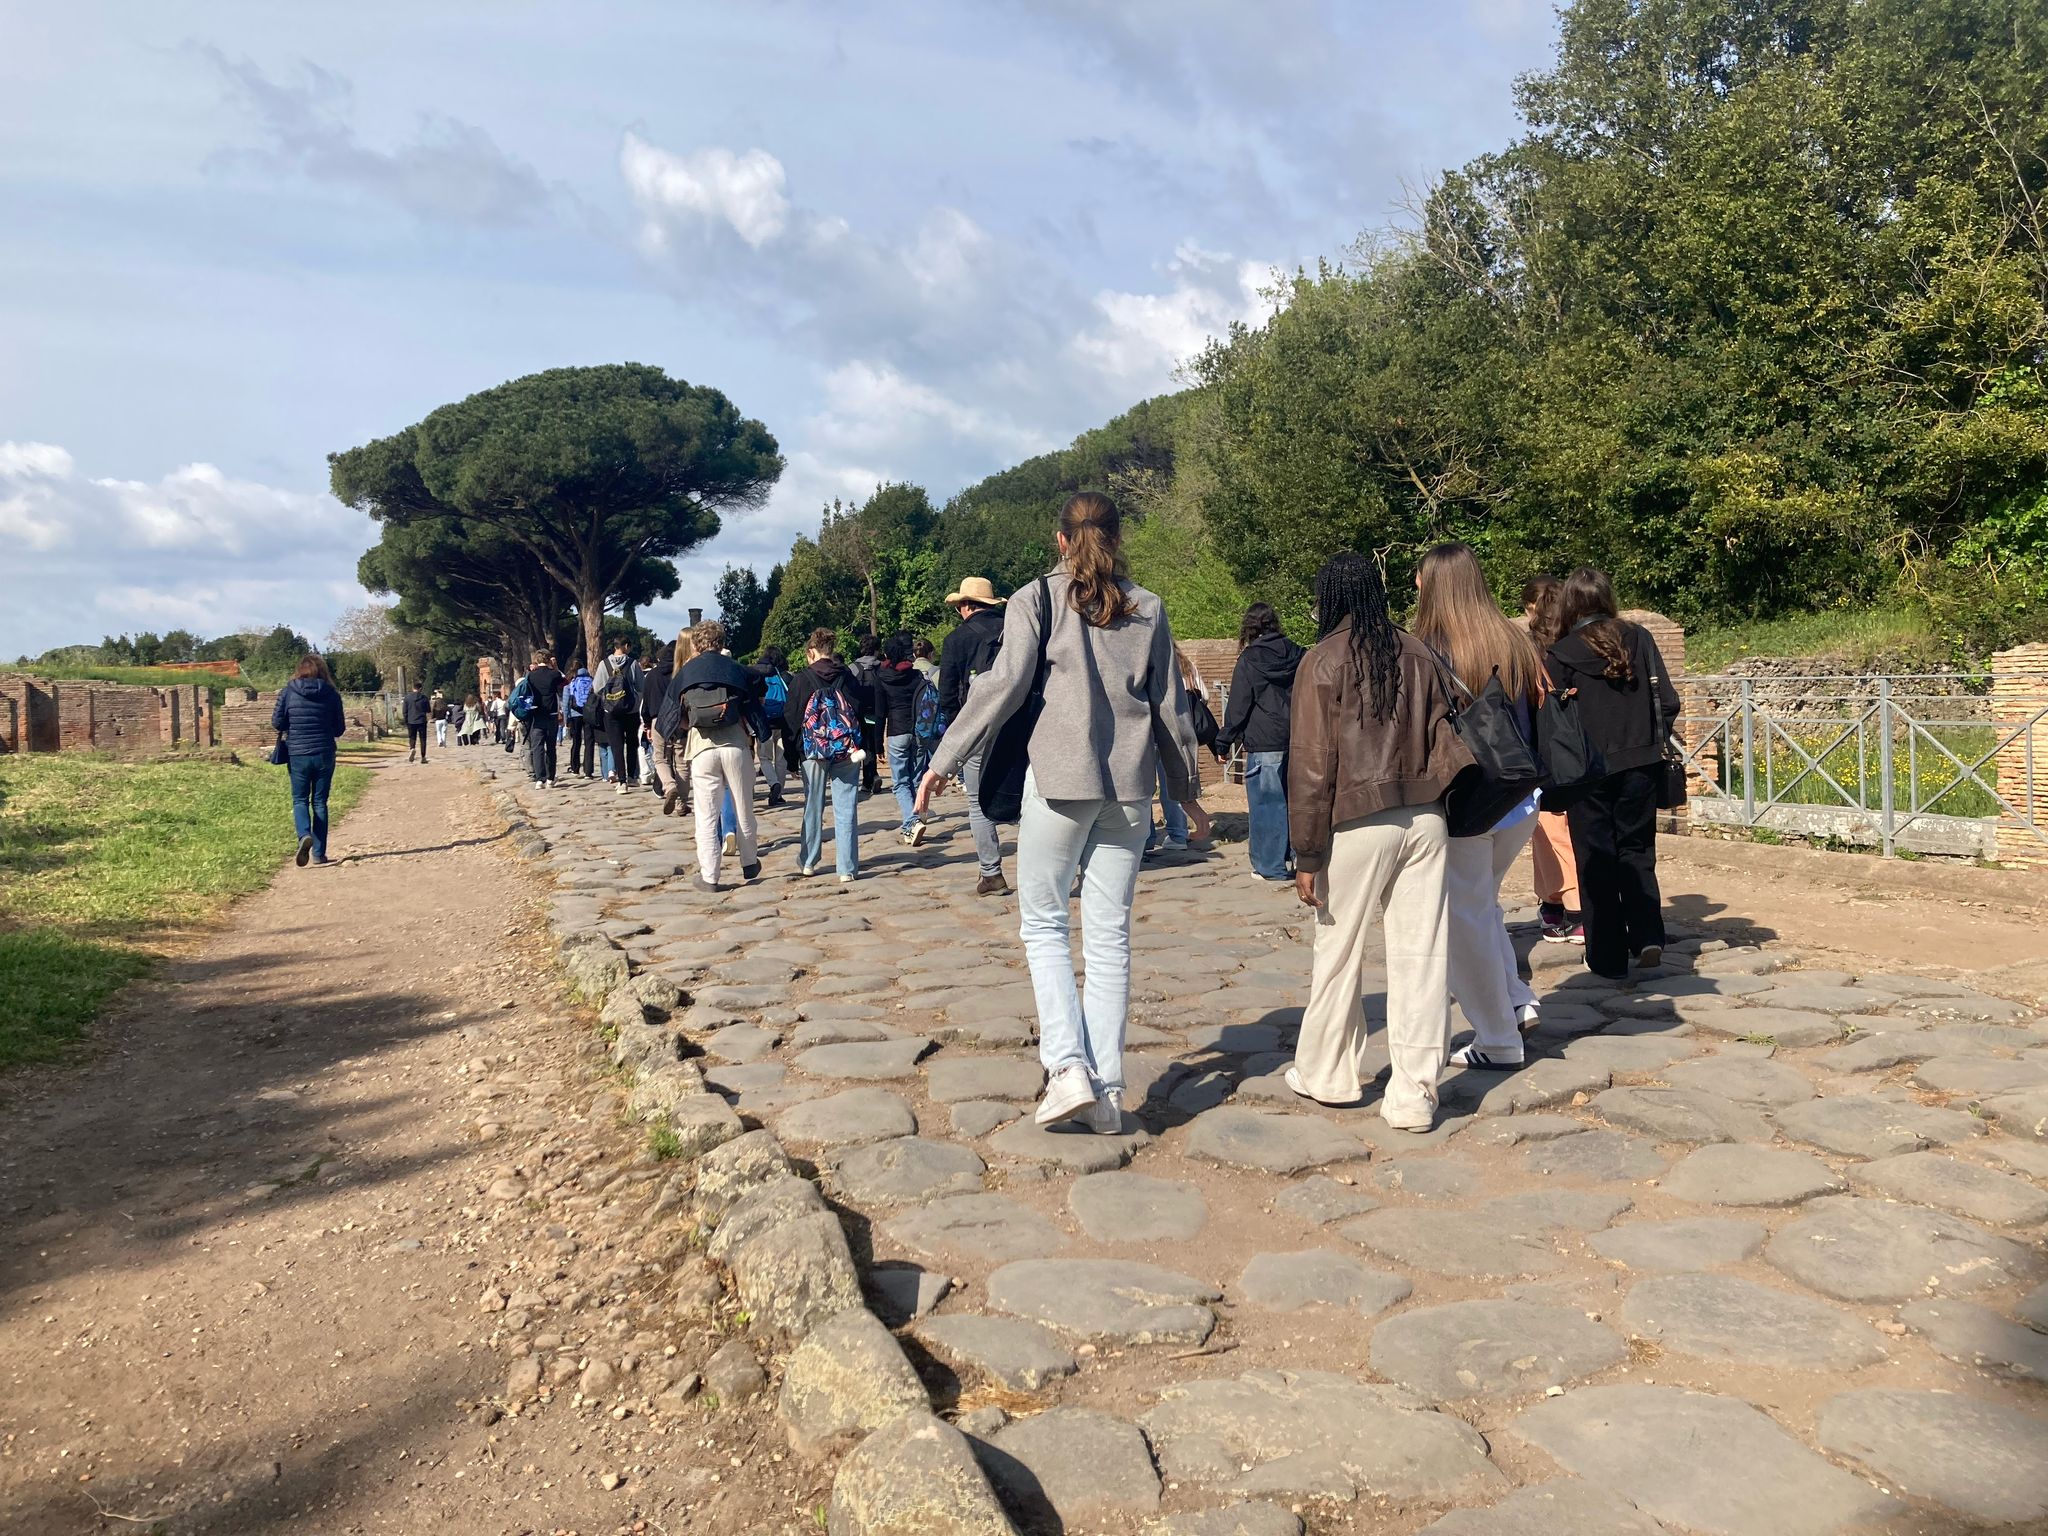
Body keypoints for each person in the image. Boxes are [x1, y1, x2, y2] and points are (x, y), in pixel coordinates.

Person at [919, 492, 1208, 1134]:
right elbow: (1170, 708)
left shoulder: (1035, 599)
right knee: (1109, 939)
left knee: (1045, 926)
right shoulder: (1148, 607)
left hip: (1057, 782)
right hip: (1128, 791)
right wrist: (1186, 793)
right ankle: (1108, 1098)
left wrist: (944, 759)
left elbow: (1002, 685)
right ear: (1118, 537)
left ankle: (1068, 1067)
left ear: (1059, 540)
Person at [1285, 552, 1470, 1132]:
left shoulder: (1322, 660)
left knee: (1338, 952)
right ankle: (1414, 1096)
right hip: (1426, 817)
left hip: (1357, 820)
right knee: (1422, 957)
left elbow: (1312, 766)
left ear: (1328, 597)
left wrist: (1307, 852)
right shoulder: (1418, 652)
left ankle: (1328, 1075)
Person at [1414, 543, 1546, 1068]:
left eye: (1420, 578)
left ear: (1434, 585)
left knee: (1463, 920)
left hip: (1469, 800)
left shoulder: (1428, 649)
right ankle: (1516, 998)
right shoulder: (1515, 640)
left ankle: (1497, 1038)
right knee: (1483, 905)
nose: (1415, 586)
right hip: (1518, 794)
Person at [1545, 567, 1681, 981]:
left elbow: (1554, 719)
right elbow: (1668, 700)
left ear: (1570, 603)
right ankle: (1648, 935)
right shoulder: (1640, 638)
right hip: (1641, 762)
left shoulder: (1561, 653)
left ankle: (1607, 957)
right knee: (1637, 852)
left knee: (1596, 859)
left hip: (1588, 770)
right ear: (1608, 598)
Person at [668, 618, 764, 889]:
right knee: (744, 807)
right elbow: (755, 696)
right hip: (735, 745)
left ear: (696, 644)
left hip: (701, 749)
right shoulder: (735, 669)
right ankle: (749, 862)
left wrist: (691, 724)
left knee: (706, 816)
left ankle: (710, 876)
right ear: (721, 642)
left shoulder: (685, 673)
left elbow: (672, 715)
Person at [1216, 602, 1304, 882]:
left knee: (1267, 805)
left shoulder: (1249, 659)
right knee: (1297, 802)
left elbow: (1238, 706)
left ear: (1249, 628)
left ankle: (1270, 866)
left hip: (1265, 741)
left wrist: (1223, 742)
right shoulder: (1299, 654)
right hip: (1299, 738)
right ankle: (1301, 860)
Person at [937, 576, 1012, 895]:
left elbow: (946, 696)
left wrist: (958, 733)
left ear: (966, 606)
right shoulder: (1014, 629)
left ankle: (991, 872)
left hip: (977, 726)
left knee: (977, 801)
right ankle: (1046, 867)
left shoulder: (956, 640)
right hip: (1017, 723)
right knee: (1031, 797)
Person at [1518, 576, 1583, 944]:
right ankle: (1563, 903)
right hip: (1582, 748)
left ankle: (1566, 906)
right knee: (1569, 830)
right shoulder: (1581, 641)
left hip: (1546, 747)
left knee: (1549, 831)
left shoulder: (1532, 649)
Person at [785, 627, 871, 882]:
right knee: (846, 808)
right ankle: (847, 868)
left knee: (813, 806)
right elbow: (859, 712)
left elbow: (791, 719)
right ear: (831, 651)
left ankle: (809, 861)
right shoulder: (848, 677)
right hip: (846, 750)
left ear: (811, 651)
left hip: (813, 752)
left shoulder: (802, 679)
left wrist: (792, 757)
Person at [274, 653, 348, 866]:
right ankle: (318, 853)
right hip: (324, 751)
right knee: (320, 802)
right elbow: (339, 729)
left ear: (299, 670)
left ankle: (304, 834)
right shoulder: (331, 693)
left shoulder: (288, 691)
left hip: (298, 752)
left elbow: (277, 722)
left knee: (300, 799)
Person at [1146, 643, 1209, 856]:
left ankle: (1146, 837)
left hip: (1150, 732)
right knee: (1173, 784)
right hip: (1177, 734)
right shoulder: (1187, 666)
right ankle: (1178, 834)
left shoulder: (1150, 664)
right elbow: (1205, 696)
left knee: (1145, 787)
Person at [875, 631, 928, 846]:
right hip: (918, 731)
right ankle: (916, 819)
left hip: (896, 732)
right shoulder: (916, 676)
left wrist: (878, 744)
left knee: (900, 783)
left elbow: (880, 713)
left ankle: (911, 822)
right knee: (915, 779)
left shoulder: (882, 677)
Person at [589, 638, 642, 795]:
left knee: (616, 746)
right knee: (632, 743)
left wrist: (608, 698)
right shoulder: (633, 663)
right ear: (626, 646)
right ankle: (632, 776)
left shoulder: (604, 664)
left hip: (611, 712)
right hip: (630, 711)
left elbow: (597, 687)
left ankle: (622, 781)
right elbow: (641, 686)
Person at [746, 645, 792, 808]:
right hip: (783, 722)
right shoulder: (784, 676)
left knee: (765, 758)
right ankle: (778, 794)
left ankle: (773, 783)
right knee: (781, 759)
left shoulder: (754, 673)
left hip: (764, 723)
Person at [522, 649, 563, 787]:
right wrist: (555, 667)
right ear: (549, 660)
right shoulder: (554, 674)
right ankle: (550, 777)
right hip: (551, 714)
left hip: (536, 714)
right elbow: (564, 682)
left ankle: (540, 779)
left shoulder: (531, 676)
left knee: (537, 747)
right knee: (551, 747)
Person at [850, 633, 885, 796]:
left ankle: (866, 781)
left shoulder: (852, 668)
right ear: (877, 650)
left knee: (861, 745)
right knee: (872, 744)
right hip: (877, 713)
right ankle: (872, 776)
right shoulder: (882, 668)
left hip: (857, 713)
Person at [565, 664, 596, 778]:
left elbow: (566, 704)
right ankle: (588, 771)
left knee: (576, 742)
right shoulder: (592, 683)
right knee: (589, 742)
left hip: (575, 715)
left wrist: (566, 719)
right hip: (589, 714)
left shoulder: (571, 685)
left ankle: (575, 768)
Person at [402, 682, 430, 763]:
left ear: (413, 688)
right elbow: (428, 710)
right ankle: (423, 757)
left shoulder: (407, 698)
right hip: (421, 720)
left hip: (411, 720)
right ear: (420, 689)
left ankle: (412, 748)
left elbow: (404, 711)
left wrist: (406, 720)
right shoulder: (424, 698)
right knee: (423, 739)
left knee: (412, 737)